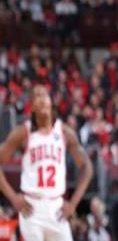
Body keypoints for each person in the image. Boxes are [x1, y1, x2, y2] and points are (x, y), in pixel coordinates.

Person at [0, 84, 93, 240]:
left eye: (44, 95)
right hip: (31, 207)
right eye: (37, 96)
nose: (41, 99)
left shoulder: (65, 132)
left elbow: (87, 167)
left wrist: (73, 203)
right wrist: (13, 198)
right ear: (32, 106)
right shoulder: (23, 133)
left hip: (57, 207)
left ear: (51, 101)